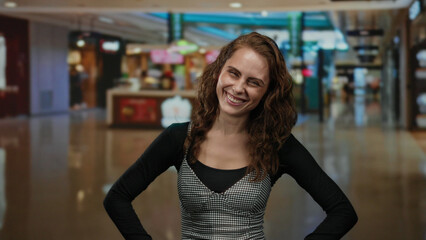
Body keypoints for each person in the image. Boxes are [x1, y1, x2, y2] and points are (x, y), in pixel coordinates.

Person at [104, 32, 358, 240]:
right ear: (218, 71)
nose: (238, 88)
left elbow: (342, 212)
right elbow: (117, 197)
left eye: (254, 82)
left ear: (267, 92)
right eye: (233, 73)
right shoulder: (179, 138)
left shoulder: (276, 146)